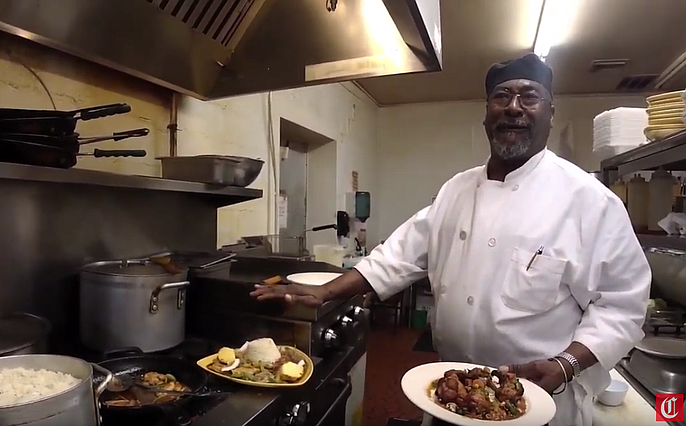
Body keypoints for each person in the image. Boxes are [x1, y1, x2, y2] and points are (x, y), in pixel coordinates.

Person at [251, 53, 651, 426]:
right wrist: (326, 291)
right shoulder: (457, 190)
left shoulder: (588, 201)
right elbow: (399, 254)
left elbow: (622, 306)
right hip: (448, 390)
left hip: (537, 400)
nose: (514, 107)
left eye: (530, 97)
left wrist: (566, 364)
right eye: (502, 96)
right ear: (486, 115)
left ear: (550, 112)